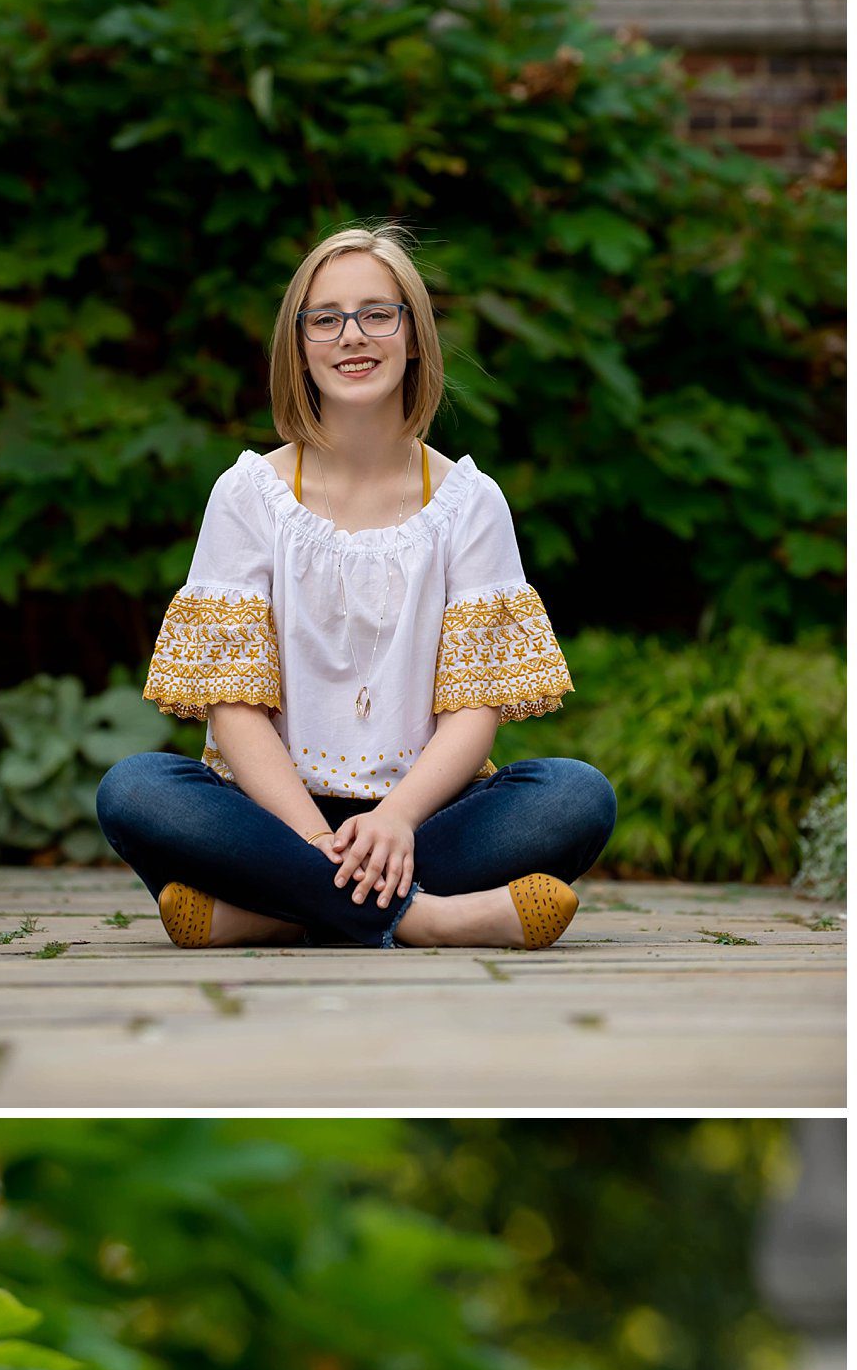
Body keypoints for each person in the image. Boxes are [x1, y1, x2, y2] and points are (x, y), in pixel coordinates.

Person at [95, 228, 616, 957]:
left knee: (577, 796)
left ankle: (274, 914)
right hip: (269, 814)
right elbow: (235, 708)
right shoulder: (248, 494)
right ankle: (428, 918)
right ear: (299, 344)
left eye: (378, 313)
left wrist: (397, 819)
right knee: (137, 790)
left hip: (426, 813)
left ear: (413, 335)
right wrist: (313, 838)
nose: (353, 336)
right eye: (327, 318)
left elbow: (474, 711)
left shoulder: (470, 502)